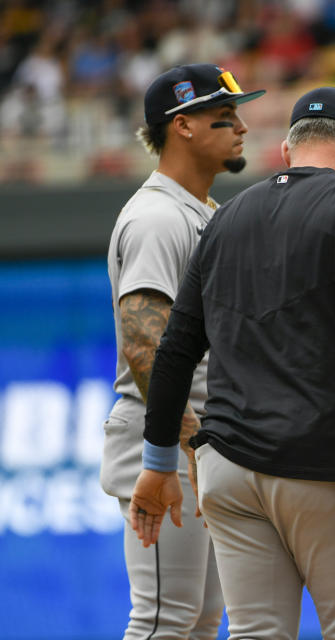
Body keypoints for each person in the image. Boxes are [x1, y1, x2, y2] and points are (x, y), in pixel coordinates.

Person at [128, 86, 335, 640]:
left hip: (227, 470)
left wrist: (157, 463)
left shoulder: (225, 217)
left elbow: (176, 346)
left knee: (255, 633)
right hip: (324, 462)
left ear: (285, 150)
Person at [101, 62, 263, 639]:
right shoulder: (158, 217)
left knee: (198, 622)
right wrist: (174, 448)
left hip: (200, 440)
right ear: (183, 125)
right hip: (168, 438)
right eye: (225, 115)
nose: (241, 126)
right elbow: (146, 342)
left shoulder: (202, 212)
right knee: (163, 620)